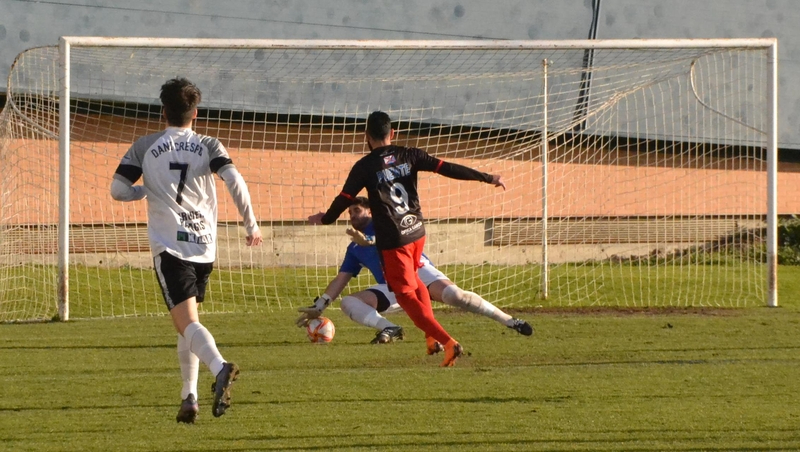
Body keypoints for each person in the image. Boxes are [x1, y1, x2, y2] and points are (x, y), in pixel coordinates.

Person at [110, 78, 262, 423]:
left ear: (164, 111)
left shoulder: (146, 145)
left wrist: (143, 193)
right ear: (195, 113)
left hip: (170, 247)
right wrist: (250, 225)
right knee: (188, 325)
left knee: (186, 323)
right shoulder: (209, 144)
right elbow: (235, 180)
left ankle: (220, 367)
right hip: (204, 247)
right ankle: (188, 397)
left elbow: (117, 190)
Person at [309, 111, 505, 367]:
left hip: (394, 242)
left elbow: (344, 199)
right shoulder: (410, 154)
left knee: (405, 297)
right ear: (392, 134)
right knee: (417, 284)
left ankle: (447, 342)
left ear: (366, 137)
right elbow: (448, 168)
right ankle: (430, 339)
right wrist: (487, 177)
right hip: (416, 234)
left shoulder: (365, 166)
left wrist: (325, 219)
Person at [297, 197, 532, 347]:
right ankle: (389, 328)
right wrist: (320, 306)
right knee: (348, 303)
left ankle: (510, 321)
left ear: (370, 211)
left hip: (418, 270)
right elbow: (341, 278)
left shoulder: (385, 222)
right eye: (349, 213)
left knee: (456, 297)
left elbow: (393, 239)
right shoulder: (354, 247)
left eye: (356, 210)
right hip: (395, 285)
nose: (352, 216)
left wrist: (370, 241)